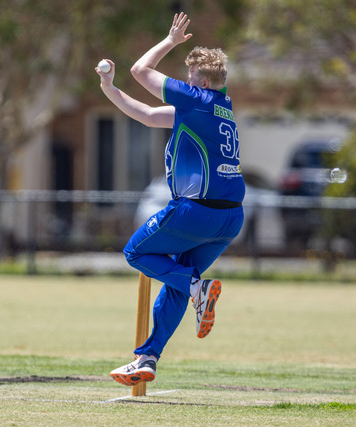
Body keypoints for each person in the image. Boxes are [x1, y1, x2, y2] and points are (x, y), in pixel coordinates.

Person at [95, 13, 245, 386]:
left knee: (135, 252)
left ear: (203, 82)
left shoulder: (196, 98)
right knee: (180, 279)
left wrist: (170, 41)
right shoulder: (219, 107)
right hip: (229, 218)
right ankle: (147, 358)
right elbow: (147, 115)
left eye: (190, 75)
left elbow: (140, 70)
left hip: (196, 211)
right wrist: (108, 88)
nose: (184, 80)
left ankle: (198, 289)